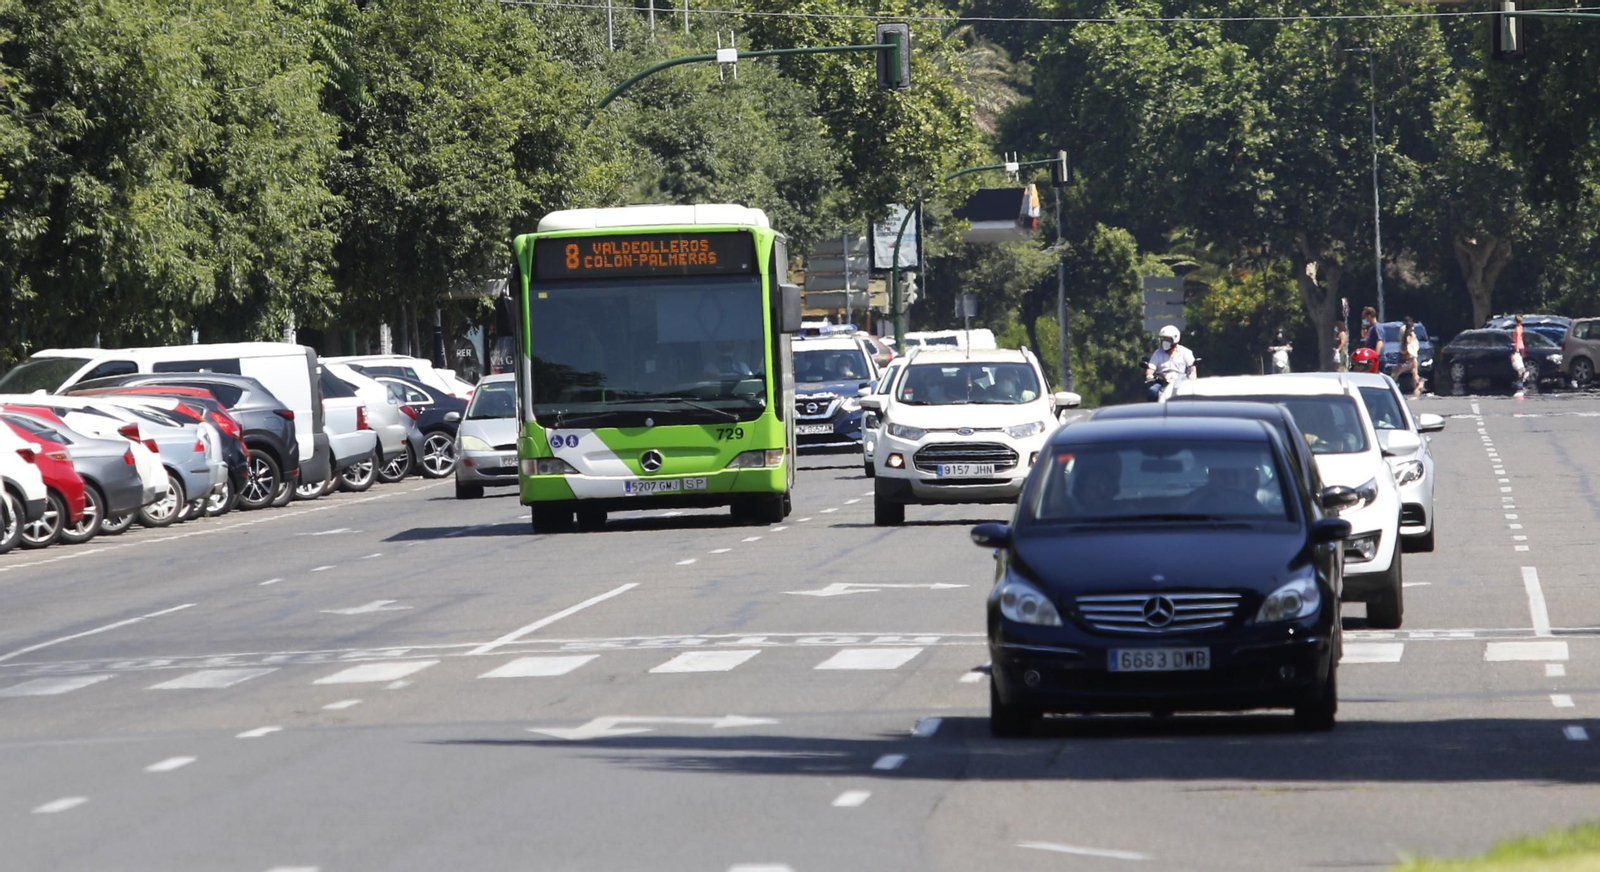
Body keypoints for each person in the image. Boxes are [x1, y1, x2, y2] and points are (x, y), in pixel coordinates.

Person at [1144, 325, 1197, 401]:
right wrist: (1149, 375)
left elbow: (1192, 366)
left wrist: (1192, 374)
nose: (1164, 342)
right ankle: (1153, 411)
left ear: (1175, 339)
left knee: (1192, 394)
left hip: (1181, 381)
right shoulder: (1157, 353)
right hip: (1162, 381)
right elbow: (1151, 368)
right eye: (1163, 339)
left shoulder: (1185, 352)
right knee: (1153, 391)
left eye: (1167, 339)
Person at [1389, 316, 1422, 397]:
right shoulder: (1408, 331)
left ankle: (1416, 384)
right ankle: (1392, 380)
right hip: (1410, 353)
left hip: (1406, 352)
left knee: (1413, 369)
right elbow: (1407, 341)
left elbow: (1402, 339)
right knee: (1406, 368)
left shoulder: (1403, 329)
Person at [1512, 314, 1528, 396]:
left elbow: (1517, 338)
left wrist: (1517, 349)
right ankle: (1521, 380)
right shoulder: (1521, 327)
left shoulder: (1517, 328)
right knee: (1519, 364)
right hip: (1522, 346)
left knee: (1518, 365)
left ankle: (1520, 383)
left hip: (1518, 347)